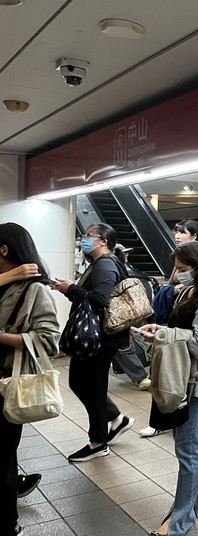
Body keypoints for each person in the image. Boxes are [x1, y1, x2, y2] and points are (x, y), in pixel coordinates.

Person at [139, 241, 198, 536]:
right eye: (176, 267)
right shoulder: (190, 292)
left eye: (182, 268)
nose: (176, 273)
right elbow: (181, 332)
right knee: (192, 443)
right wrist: (160, 331)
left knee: (187, 448)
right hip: (183, 377)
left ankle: (181, 521)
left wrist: (165, 334)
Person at [51, 223, 137, 462]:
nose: (84, 239)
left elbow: (99, 300)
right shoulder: (100, 264)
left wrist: (73, 288)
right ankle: (116, 419)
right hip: (98, 336)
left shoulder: (106, 264)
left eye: (89, 236)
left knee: (92, 386)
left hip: (101, 338)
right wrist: (67, 289)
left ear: (103, 242)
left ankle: (98, 442)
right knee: (82, 383)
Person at [0, 224, 60, 536]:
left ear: (4, 249)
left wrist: (3, 337)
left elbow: (49, 339)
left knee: (4, 459)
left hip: (6, 386)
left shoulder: (34, 290)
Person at [111, 244, 152, 391]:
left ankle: (141, 377)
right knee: (122, 346)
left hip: (119, 316)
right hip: (120, 316)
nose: (127, 256)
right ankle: (141, 377)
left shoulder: (115, 268)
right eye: (124, 253)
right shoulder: (116, 269)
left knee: (121, 346)